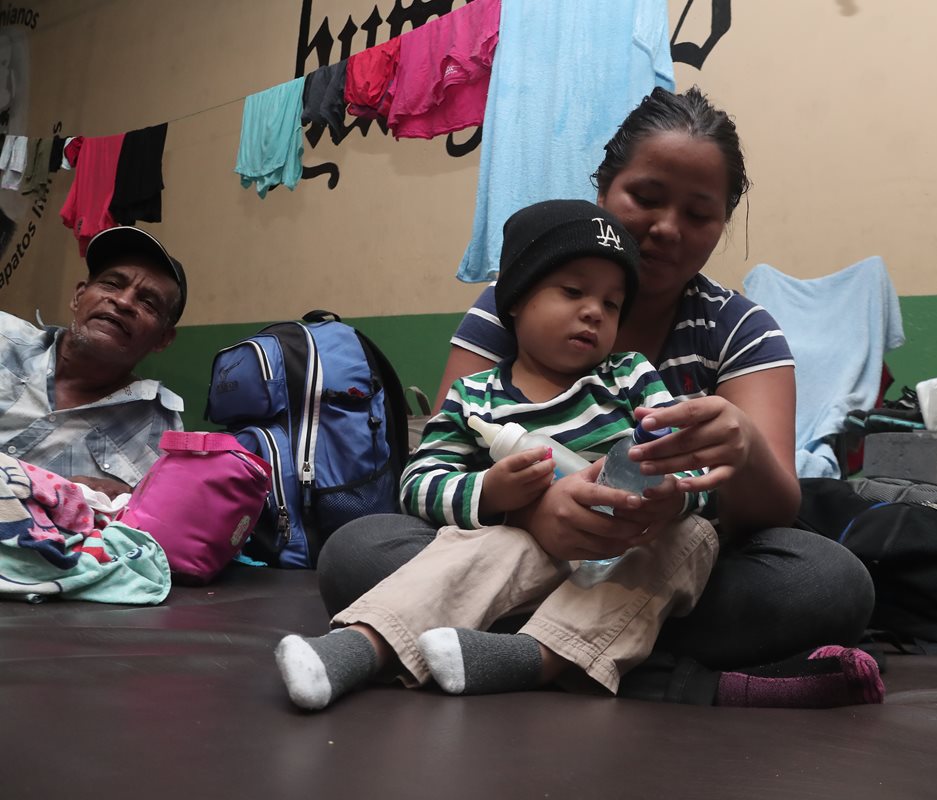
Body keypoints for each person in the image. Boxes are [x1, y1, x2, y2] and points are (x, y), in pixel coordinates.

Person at [317, 87, 879, 706]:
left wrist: (736, 454)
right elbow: (443, 462)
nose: (668, 228)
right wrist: (532, 514)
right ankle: (633, 669)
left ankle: (500, 646)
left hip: (652, 561)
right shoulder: (513, 304)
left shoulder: (740, 329)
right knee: (358, 550)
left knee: (826, 583)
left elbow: (772, 512)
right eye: (647, 197)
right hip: (512, 548)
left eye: (699, 214)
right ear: (604, 190)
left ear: (723, 223)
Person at [277, 199, 725, 709]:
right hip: (529, 550)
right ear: (514, 300)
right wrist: (492, 495)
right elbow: (418, 483)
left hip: (631, 548)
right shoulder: (474, 398)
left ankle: (535, 657)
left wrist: (672, 494)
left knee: (693, 537)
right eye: (573, 291)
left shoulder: (629, 376)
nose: (594, 312)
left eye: (612, 303)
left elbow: (695, 458)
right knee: (476, 546)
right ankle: (362, 645)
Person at [0, 225, 186, 498]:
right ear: (78, 297)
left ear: (162, 339)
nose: (123, 301)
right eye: (112, 284)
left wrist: (126, 505)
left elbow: (150, 516)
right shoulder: (4, 338)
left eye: (148, 303)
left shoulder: (158, 431)